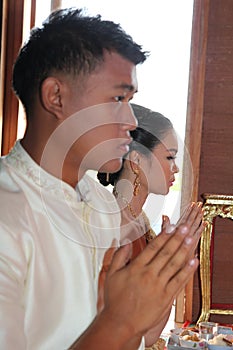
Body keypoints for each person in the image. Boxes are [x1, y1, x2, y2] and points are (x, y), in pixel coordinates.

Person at [0, 7, 204, 350]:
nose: (130, 120)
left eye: (131, 100)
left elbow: (135, 340)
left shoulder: (100, 204)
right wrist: (119, 319)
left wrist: (162, 284)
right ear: (56, 97)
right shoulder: (8, 211)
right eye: (117, 99)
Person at [97, 104, 204, 347]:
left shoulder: (141, 223)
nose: (175, 167)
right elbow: (133, 336)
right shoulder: (112, 227)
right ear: (136, 159)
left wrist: (174, 260)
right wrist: (171, 261)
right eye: (169, 157)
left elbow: (149, 333)